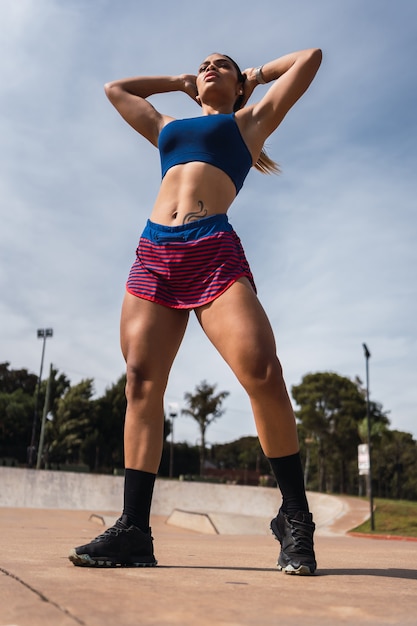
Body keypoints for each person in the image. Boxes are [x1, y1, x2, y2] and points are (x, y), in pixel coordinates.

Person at [69, 47, 322, 575]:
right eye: (204, 64)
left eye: (221, 65)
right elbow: (117, 90)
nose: (211, 68)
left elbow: (310, 59)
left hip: (211, 249)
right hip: (156, 251)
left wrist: (251, 76)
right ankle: (134, 529)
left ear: (238, 86)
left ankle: (294, 516)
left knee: (263, 372)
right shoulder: (167, 127)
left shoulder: (249, 122)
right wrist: (180, 80)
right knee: (141, 380)